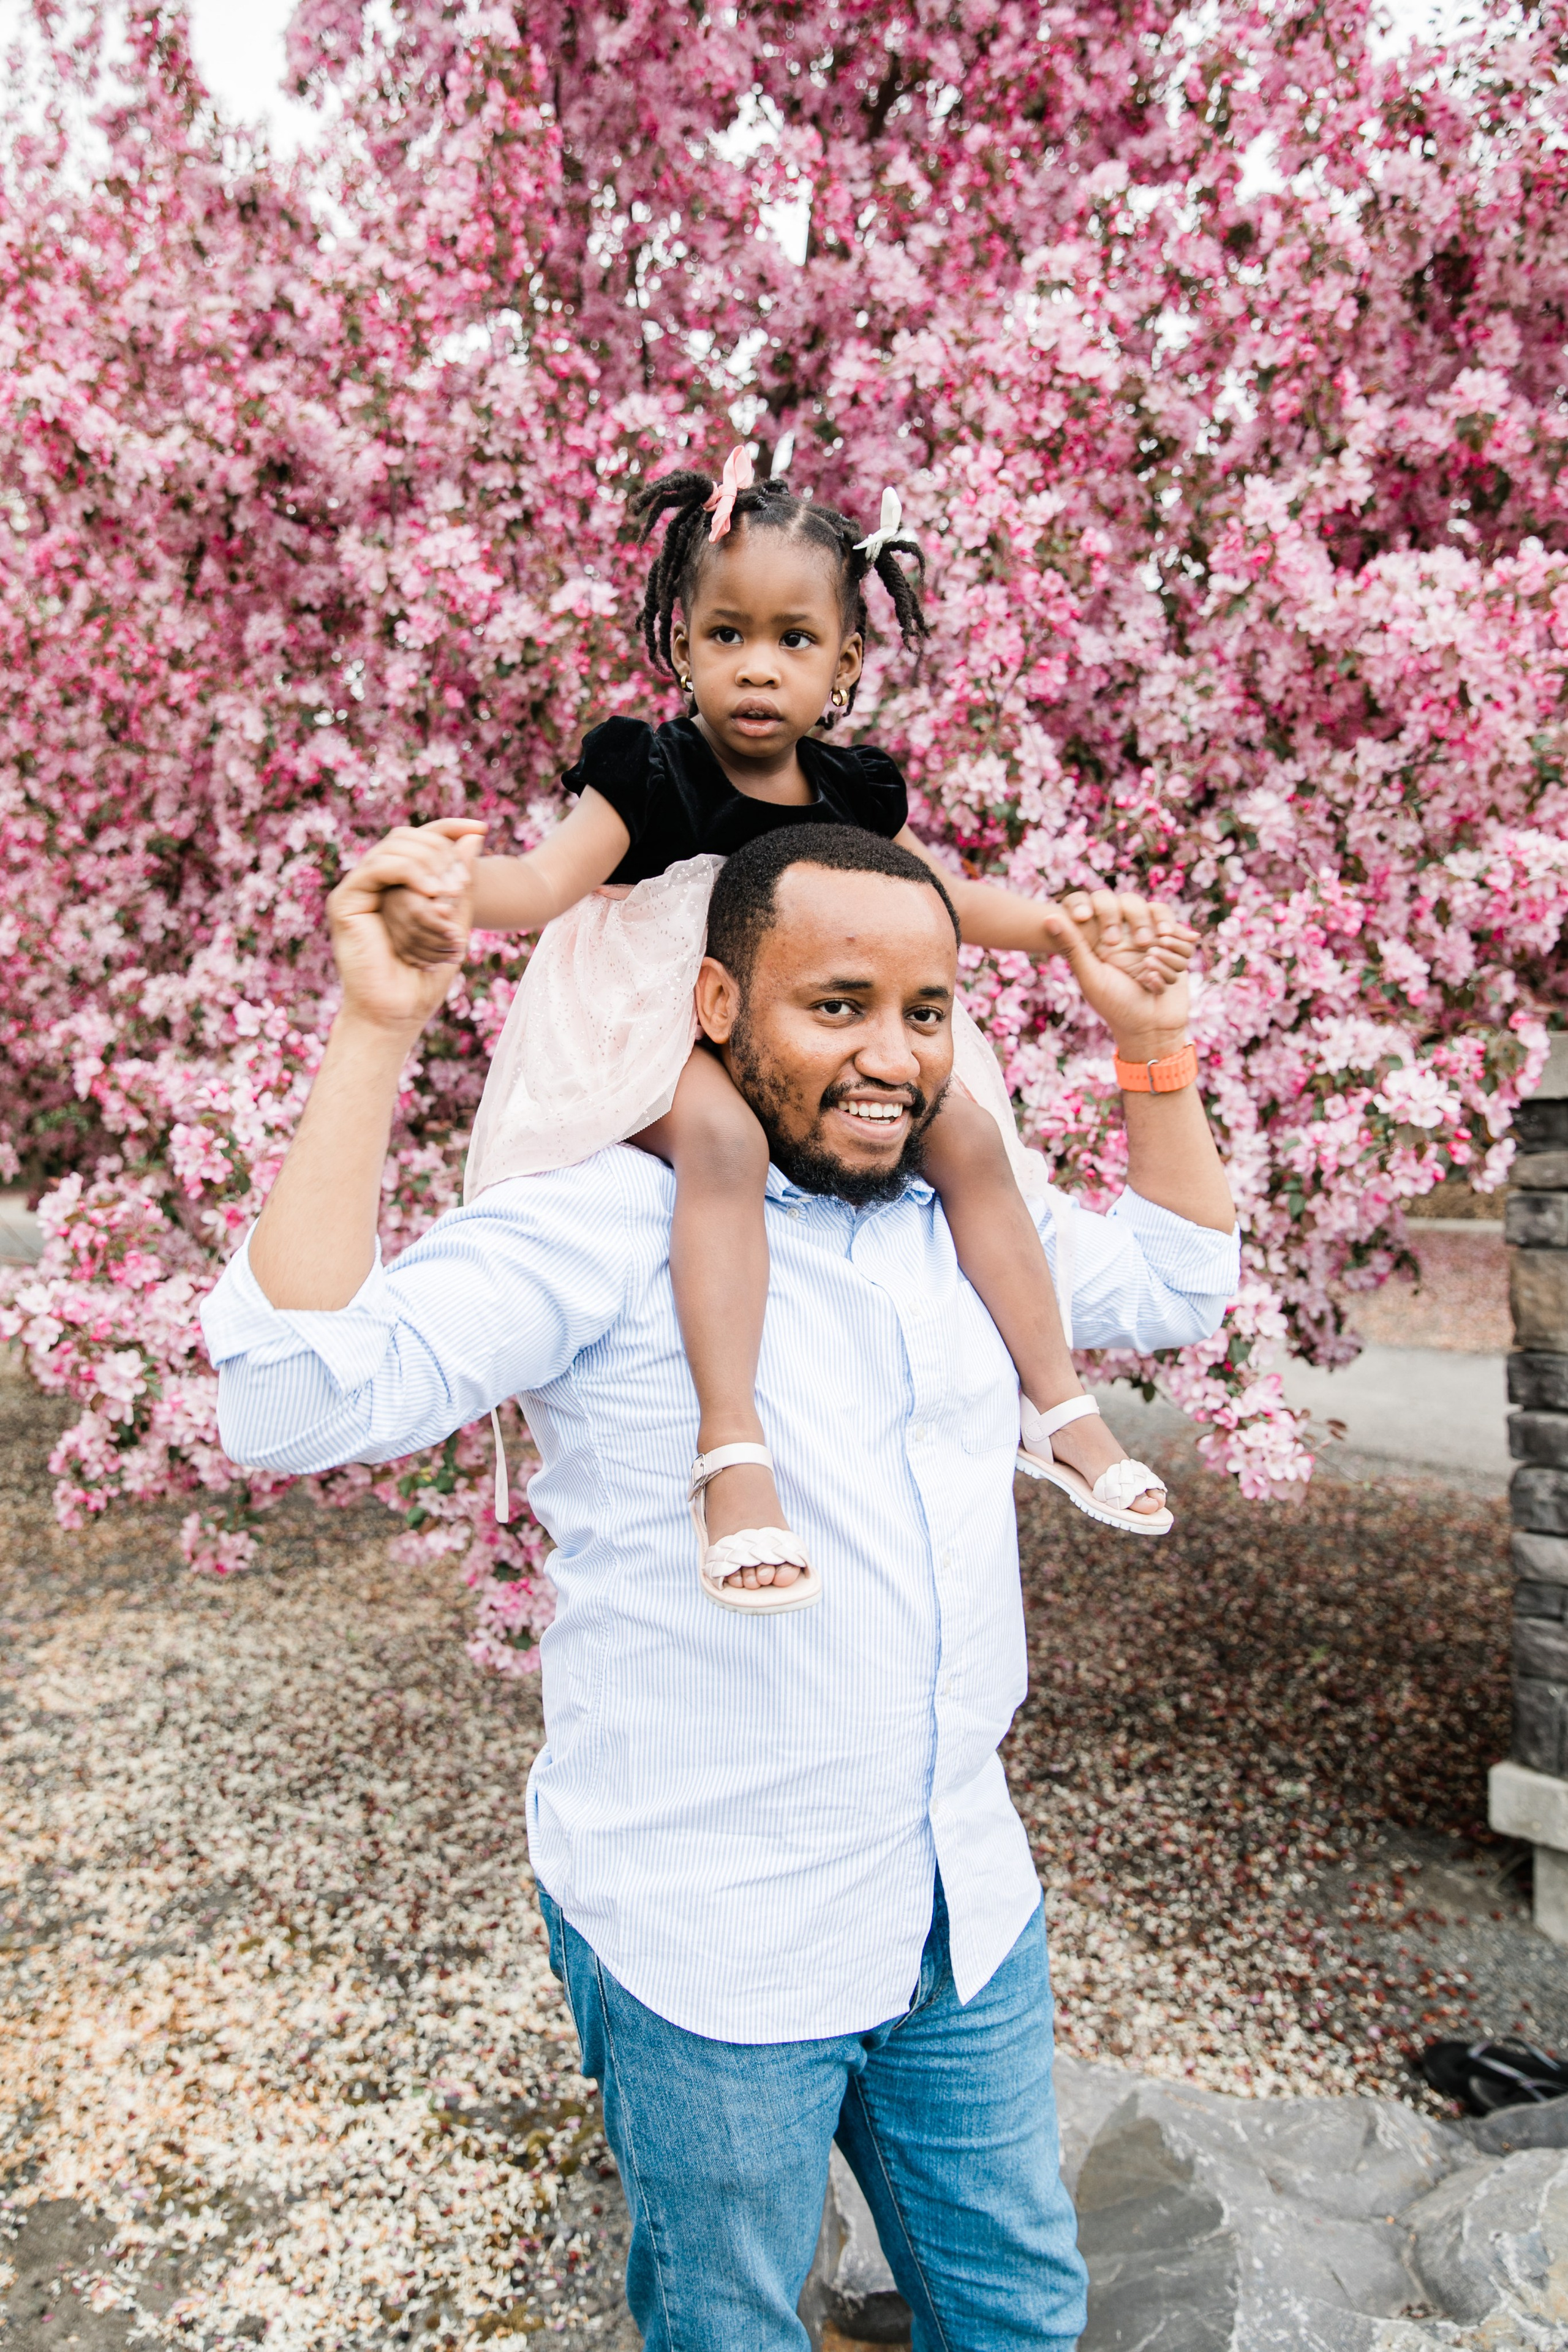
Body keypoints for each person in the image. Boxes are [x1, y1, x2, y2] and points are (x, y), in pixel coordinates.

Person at [202, 818, 1239, 2352]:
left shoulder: (958, 1217)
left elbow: (1175, 1283)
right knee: (731, 2325)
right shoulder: (602, 1227)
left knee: (1019, 2309)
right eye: (834, 1006)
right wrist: (374, 1032)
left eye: (926, 1011)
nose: (891, 1056)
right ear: (711, 1008)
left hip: (963, 1908)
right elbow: (290, 1404)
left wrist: (1151, 1053)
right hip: (709, 1944)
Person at [370, 451, 1196, 1605]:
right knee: (725, 1145)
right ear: (684, 644)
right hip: (654, 1022)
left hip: (805, 1023)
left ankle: (1056, 1404)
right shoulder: (650, 770)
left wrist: (1060, 931)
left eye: (794, 640)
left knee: (965, 1137)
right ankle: (731, 1449)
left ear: (846, 659)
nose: (757, 669)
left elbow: (944, 904)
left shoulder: (848, 790)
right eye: (726, 636)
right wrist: (462, 895)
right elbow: (549, 884)